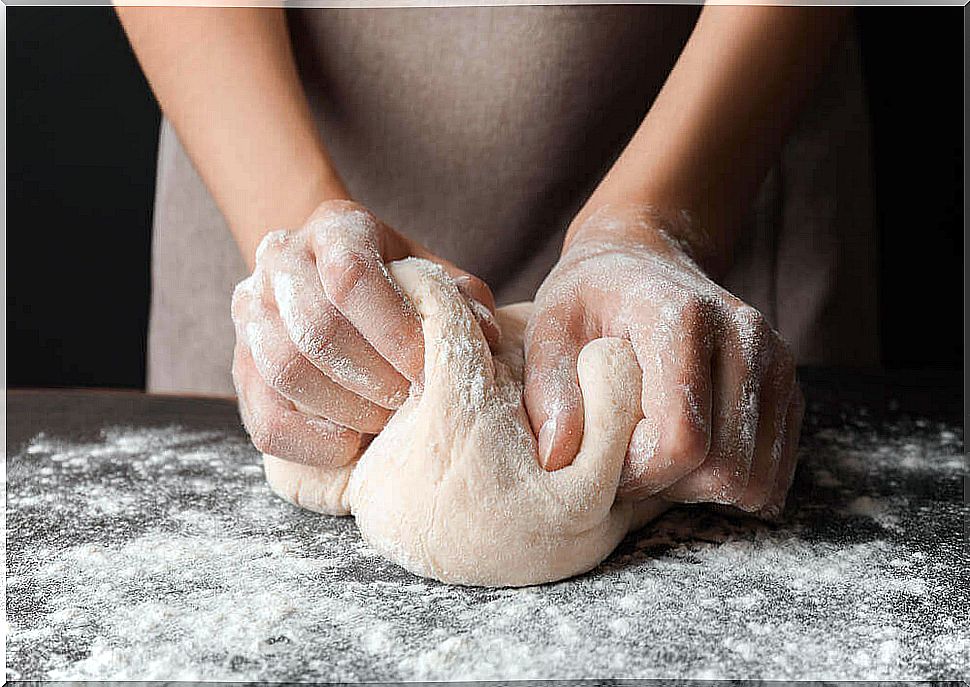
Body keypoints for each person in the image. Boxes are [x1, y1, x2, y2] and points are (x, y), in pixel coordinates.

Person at [117, 5, 877, 519]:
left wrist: (661, 218)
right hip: (258, 125)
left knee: (711, 449)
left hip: (712, 128)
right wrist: (292, 221)